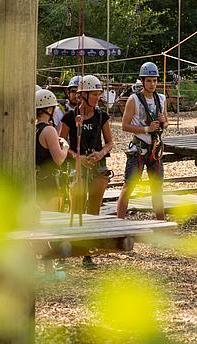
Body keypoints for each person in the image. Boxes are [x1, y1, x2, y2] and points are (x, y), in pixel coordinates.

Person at [60, 75, 114, 269]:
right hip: (77, 166)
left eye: (99, 94)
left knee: (93, 210)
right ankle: (64, 251)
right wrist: (77, 157)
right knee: (75, 207)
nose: (97, 98)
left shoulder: (102, 116)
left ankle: (87, 252)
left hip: (97, 166)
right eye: (94, 94)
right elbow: (61, 143)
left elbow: (109, 142)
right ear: (83, 95)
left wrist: (101, 153)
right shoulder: (70, 116)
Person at [116, 62, 169, 220]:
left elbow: (166, 123)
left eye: (155, 80)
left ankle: (161, 222)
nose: (152, 84)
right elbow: (125, 126)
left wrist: (163, 121)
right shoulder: (134, 100)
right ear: (143, 81)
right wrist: (147, 130)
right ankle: (119, 222)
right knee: (129, 186)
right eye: (149, 81)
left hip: (155, 148)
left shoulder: (161, 99)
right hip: (139, 149)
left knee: (157, 188)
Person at [35, 88, 72, 281]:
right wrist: (64, 147)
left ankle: (38, 267)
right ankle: (49, 271)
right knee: (50, 227)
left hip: (36, 182)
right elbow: (58, 159)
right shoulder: (48, 130)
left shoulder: (33, 128)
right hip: (50, 183)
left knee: (36, 227)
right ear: (48, 109)